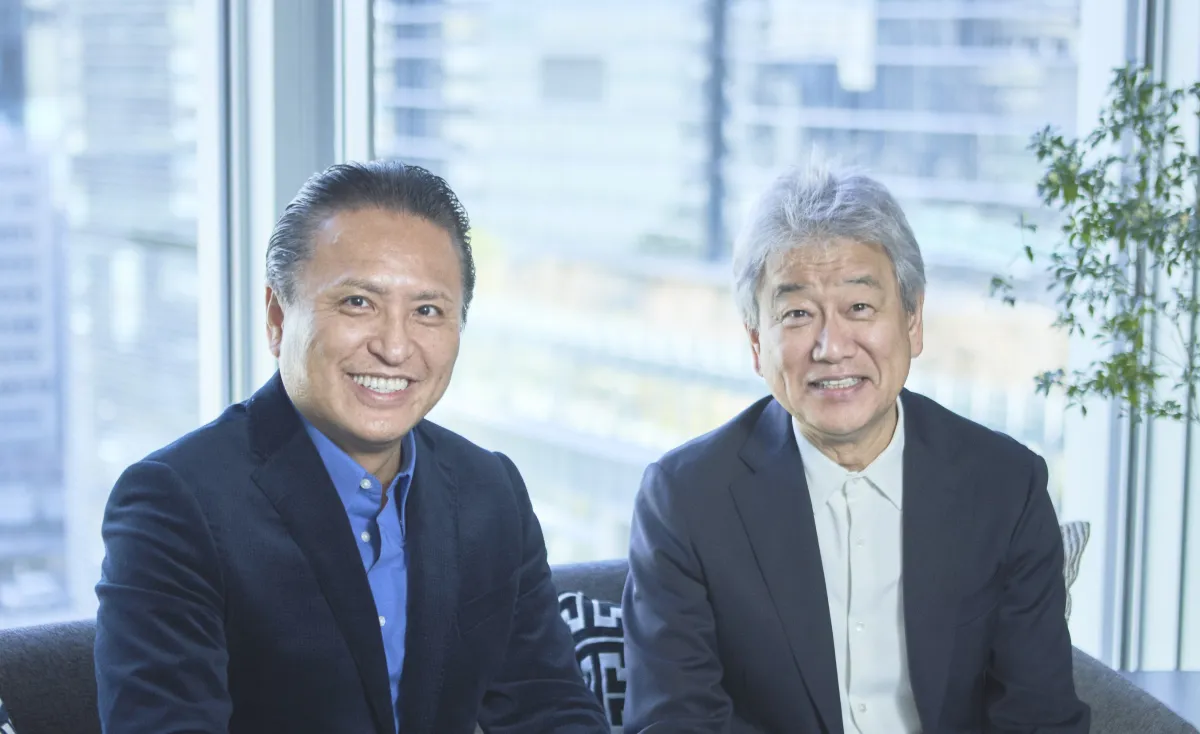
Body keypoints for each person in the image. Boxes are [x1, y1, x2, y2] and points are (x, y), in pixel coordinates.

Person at [94, 160, 608, 734]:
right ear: (276, 317)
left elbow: (552, 709)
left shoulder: (489, 490)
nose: (394, 347)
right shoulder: (174, 503)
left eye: (427, 311)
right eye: (358, 302)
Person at [621, 164, 1090, 733]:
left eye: (860, 308)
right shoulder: (687, 500)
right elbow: (675, 722)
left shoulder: (1005, 487)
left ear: (913, 321)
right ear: (756, 343)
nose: (831, 347)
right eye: (797, 314)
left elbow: (1039, 718)